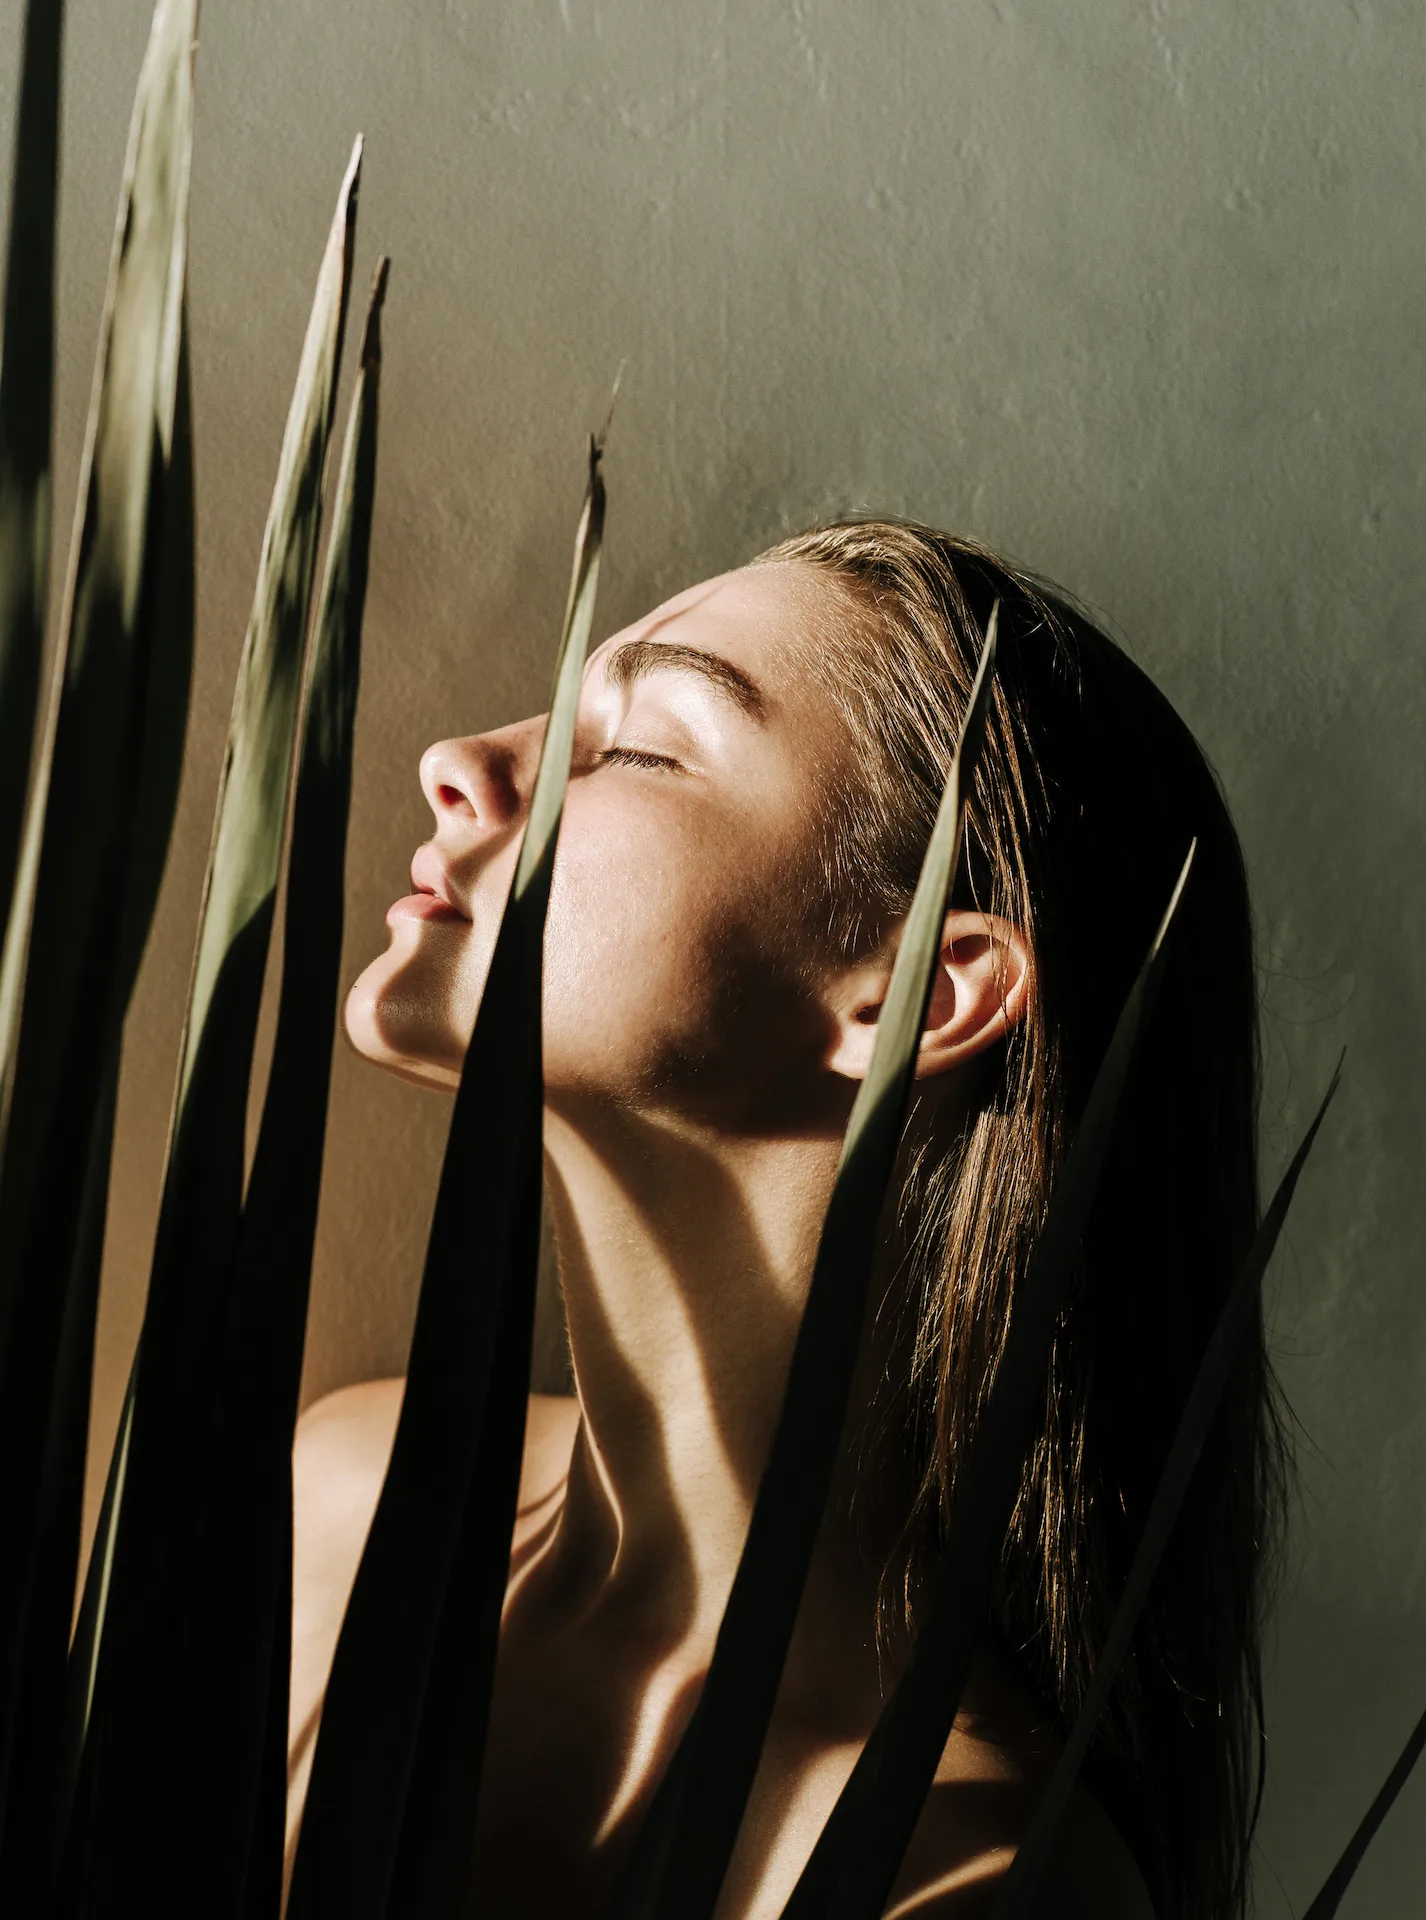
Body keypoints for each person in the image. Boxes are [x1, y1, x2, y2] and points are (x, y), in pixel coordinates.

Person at [287, 520, 1284, 1919]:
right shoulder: (341, 1494)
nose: (462, 763)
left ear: (919, 995)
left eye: (637, 743)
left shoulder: (963, 1877)